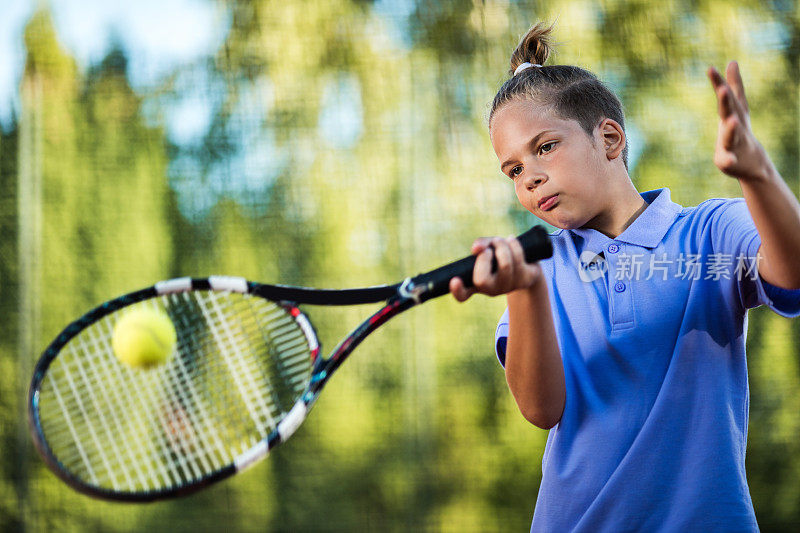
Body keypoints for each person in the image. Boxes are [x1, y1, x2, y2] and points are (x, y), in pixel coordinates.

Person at [449, 22, 800, 532]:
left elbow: (792, 271)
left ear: (609, 138)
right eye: (513, 170)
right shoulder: (538, 267)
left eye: (544, 147)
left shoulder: (709, 233)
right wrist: (527, 290)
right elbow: (541, 408)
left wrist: (756, 173)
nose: (531, 178)